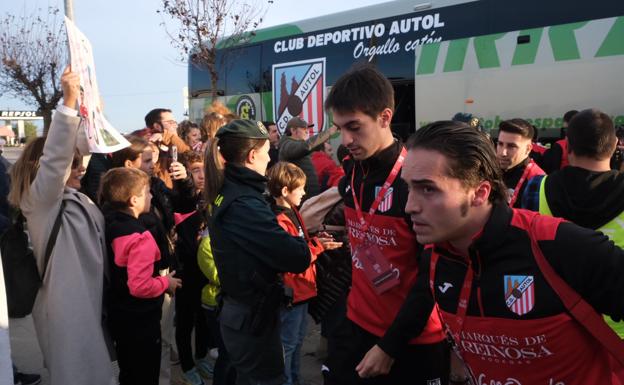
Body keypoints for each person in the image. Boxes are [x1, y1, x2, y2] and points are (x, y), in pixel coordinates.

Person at [378, 120, 624, 384]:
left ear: (480, 193)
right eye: (408, 188)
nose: (409, 206)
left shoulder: (556, 243)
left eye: (428, 189)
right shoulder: (437, 258)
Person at [324, 65, 447, 385]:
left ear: (385, 117)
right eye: (339, 128)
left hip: (410, 343)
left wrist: (390, 346)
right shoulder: (352, 169)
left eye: (354, 126)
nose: (346, 139)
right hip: (355, 326)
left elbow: (432, 276)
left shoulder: (417, 181)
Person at [7, 68, 114, 385]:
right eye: (75, 164)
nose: (81, 169)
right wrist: (67, 103)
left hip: (90, 307)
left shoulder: (72, 196)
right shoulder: (40, 202)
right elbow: (58, 157)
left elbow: (82, 144)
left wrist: (91, 108)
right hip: (64, 313)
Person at [204, 119, 312, 385]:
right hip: (251, 318)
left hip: (244, 314)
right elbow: (296, 257)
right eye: (267, 151)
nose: (270, 156)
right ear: (253, 155)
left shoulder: (232, 191)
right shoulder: (244, 202)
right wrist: (303, 232)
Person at [522, 108, 624, 336]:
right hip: (618, 330)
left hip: (558, 325)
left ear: (567, 145)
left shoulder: (536, 189)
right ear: (615, 144)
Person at [100, 167, 182, 385]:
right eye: (147, 192)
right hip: (141, 320)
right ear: (134, 200)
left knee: (129, 372)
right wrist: (166, 282)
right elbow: (140, 286)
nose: (152, 196)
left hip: (120, 316)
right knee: (145, 373)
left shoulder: (110, 223)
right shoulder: (141, 238)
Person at [267, 161, 342, 385]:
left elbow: (300, 243)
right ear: (284, 191)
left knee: (297, 341)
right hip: (293, 292)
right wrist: (318, 246)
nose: (304, 192)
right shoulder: (279, 219)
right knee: (288, 345)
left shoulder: (292, 212)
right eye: (300, 188)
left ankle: (295, 379)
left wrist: (316, 240)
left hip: (303, 290)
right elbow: (291, 256)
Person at [174, 151, 213, 385]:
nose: (201, 175)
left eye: (203, 169)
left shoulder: (211, 196)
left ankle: (200, 357)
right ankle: (187, 365)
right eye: (195, 170)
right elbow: (187, 194)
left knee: (203, 317)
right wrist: (184, 180)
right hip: (185, 268)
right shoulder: (182, 198)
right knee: (186, 319)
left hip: (206, 269)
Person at [279, 117, 337, 199]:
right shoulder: (287, 145)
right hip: (301, 196)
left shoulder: (293, 144)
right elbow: (305, 147)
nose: (307, 131)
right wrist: (329, 132)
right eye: (303, 129)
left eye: (307, 128)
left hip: (306, 194)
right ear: (293, 130)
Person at [495, 119, 545, 208]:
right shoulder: (491, 171)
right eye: (500, 144)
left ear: (528, 149)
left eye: (511, 146)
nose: (503, 153)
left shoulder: (537, 180)